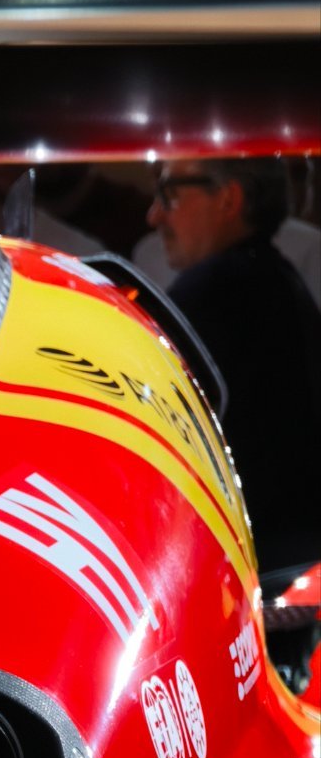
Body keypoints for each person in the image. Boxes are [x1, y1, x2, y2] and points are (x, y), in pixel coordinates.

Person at [146, 158, 320, 572]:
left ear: (228, 199)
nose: (154, 216)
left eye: (170, 194)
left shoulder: (211, 294)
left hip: (252, 570)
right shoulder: (282, 281)